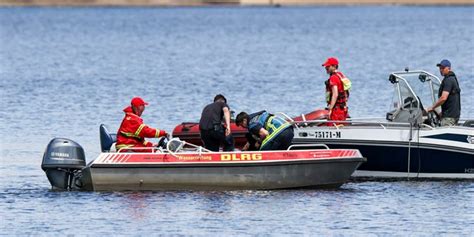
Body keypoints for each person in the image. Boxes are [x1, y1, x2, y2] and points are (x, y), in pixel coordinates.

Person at [426, 59, 461, 126]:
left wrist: (432, 107)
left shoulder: (448, 80)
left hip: (449, 118)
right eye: (440, 68)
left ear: (449, 68)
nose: (441, 70)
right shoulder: (452, 79)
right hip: (453, 115)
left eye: (443, 68)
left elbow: (443, 98)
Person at [322, 57, 350, 125]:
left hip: (336, 110)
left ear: (334, 66)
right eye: (326, 66)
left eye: (328, 66)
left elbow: (335, 94)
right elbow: (347, 92)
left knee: (333, 127)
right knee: (341, 126)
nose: (326, 68)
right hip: (343, 108)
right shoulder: (341, 75)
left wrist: (330, 109)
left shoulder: (333, 78)